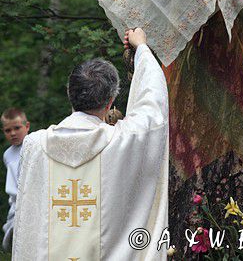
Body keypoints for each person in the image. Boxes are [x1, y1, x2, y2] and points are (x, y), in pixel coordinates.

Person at [12, 28, 169, 261]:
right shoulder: (124, 140)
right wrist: (142, 48)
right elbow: (153, 105)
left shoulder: (34, 145)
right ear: (110, 102)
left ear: (69, 94)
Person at [1, 107, 30, 252]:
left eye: (17, 128)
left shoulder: (34, 146)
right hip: (15, 203)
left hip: (30, 199)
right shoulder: (7, 155)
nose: (13, 133)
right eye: (8, 130)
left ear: (27, 126)